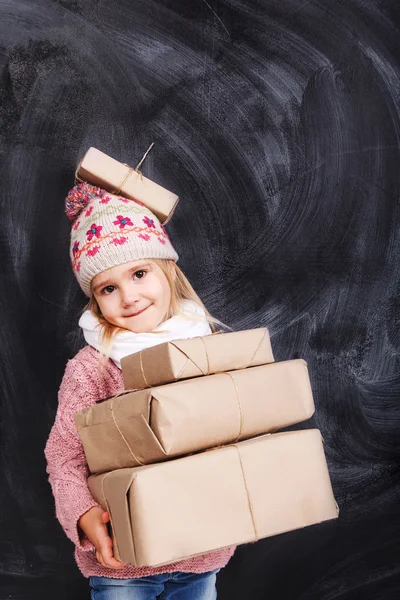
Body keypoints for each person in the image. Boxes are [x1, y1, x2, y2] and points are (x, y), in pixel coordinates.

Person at [44, 182, 235, 600]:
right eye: (108, 288)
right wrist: (84, 514)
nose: (129, 297)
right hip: (123, 567)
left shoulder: (210, 348)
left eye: (140, 273)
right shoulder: (92, 369)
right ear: (95, 302)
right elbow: (63, 457)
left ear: (167, 269)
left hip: (202, 558)